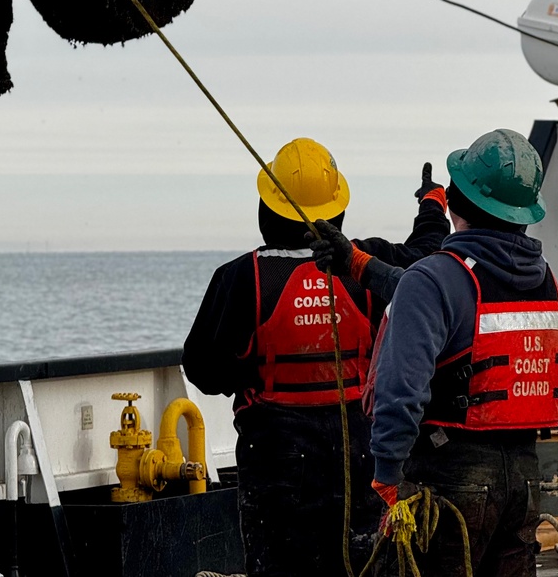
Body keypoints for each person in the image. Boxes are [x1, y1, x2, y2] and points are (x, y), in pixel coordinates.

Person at [182, 137, 450, 577]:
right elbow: (426, 256)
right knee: (363, 561)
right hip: (363, 452)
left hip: (276, 461)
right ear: (337, 209)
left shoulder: (239, 279)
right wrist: (432, 203)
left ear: (267, 210)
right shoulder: (368, 263)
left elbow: (204, 370)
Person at [313, 128, 558, 577]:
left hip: (452, 476)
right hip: (525, 476)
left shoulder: (435, 279)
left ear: (456, 205)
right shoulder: (543, 279)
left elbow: (400, 389)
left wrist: (387, 476)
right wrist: (357, 264)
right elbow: (448, 299)